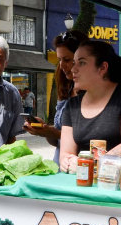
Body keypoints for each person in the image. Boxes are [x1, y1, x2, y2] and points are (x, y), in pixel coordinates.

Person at [58, 40, 121, 172]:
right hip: (81, 181)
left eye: (82, 63)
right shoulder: (72, 105)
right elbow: (65, 154)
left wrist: (90, 165)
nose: (73, 69)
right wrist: (67, 162)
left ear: (102, 68)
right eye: (74, 63)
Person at [24, 30, 84, 163]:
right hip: (61, 166)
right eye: (59, 60)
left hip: (82, 168)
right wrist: (45, 130)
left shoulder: (93, 94)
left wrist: (52, 132)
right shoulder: (66, 88)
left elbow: (89, 142)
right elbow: (57, 142)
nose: (61, 66)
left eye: (67, 60)